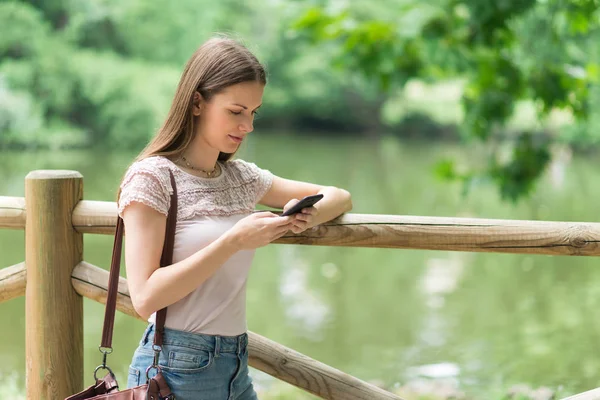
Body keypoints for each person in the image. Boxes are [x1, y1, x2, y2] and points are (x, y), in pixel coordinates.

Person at [117, 36, 353, 400]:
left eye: (253, 113)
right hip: (177, 368)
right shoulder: (153, 177)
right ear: (197, 102)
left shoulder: (241, 178)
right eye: (236, 111)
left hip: (235, 363)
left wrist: (307, 215)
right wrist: (233, 241)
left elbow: (340, 196)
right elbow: (145, 298)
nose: (248, 126)